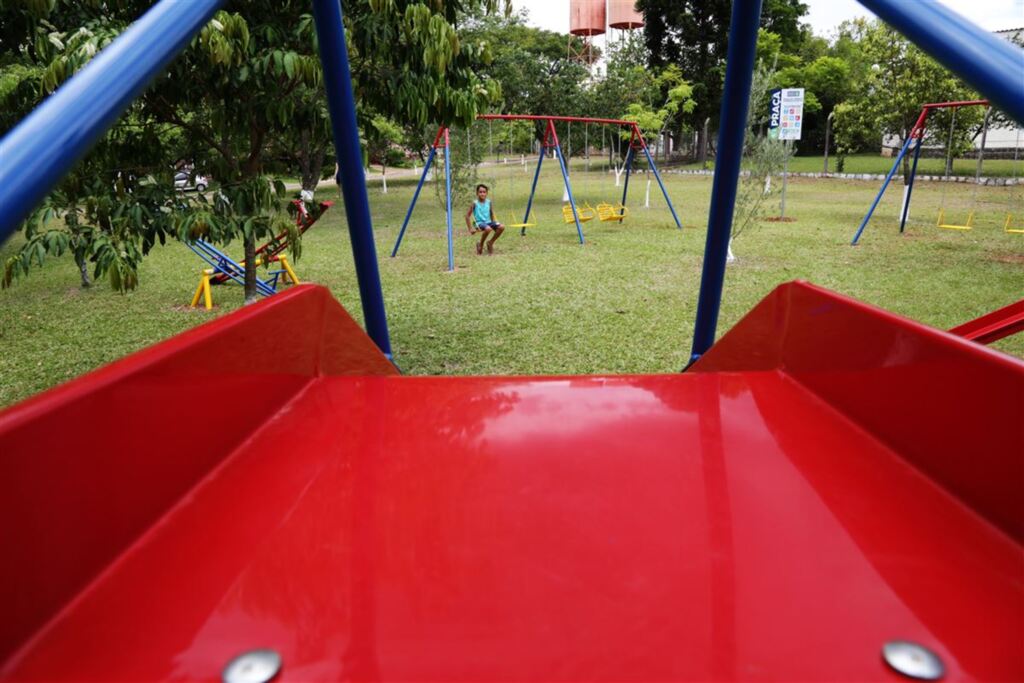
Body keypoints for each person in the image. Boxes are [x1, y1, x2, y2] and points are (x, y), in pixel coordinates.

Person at [465, 184, 505, 255]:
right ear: (477, 193)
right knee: (488, 229)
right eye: (480, 192)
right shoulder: (475, 203)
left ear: (486, 193)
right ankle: (481, 244)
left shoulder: (489, 202)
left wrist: (494, 223)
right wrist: (470, 229)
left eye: (484, 192)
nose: (482, 194)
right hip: (479, 223)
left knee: (501, 226)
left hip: (489, 222)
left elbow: (491, 213)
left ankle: (490, 242)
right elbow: (467, 216)